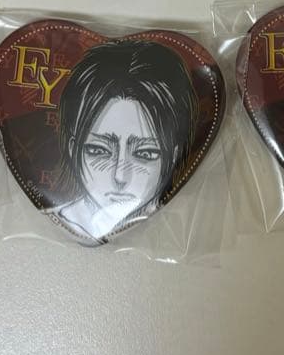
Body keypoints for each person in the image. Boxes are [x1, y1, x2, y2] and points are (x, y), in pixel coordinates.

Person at [51, 40, 196, 242]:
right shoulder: (60, 220)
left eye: (145, 154)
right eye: (98, 150)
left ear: (174, 156)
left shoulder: (179, 226)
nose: (120, 177)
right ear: (72, 148)